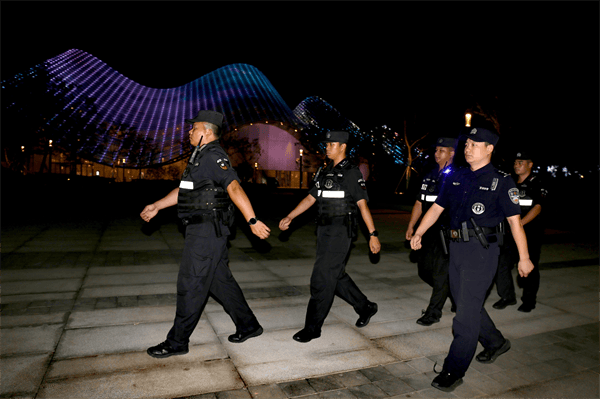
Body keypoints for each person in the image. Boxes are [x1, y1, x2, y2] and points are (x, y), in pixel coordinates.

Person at [410, 127, 534, 392]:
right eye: (467, 144)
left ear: (489, 149)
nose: (468, 148)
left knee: (464, 314)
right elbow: (437, 207)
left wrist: (524, 258)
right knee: (469, 304)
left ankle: (453, 369)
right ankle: (496, 342)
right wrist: (419, 231)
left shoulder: (502, 181)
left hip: (482, 251)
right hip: (454, 248)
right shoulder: (456, 176)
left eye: (475, 145)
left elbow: (515, 223)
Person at [141, 110, 270, 358]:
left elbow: (233, 186)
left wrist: (252, 220)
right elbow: (184, 190)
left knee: (191, 282)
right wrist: (157, 205)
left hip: (207, 230)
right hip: (204, 228)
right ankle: (249, 325)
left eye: (194, 127)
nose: (189, 131)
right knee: (219, 282)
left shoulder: (213, 156)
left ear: (207, 132)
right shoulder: (198, 158)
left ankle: (177, 341)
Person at [279, 130, 381, 343]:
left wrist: (373, 234)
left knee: (322, 278)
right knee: (336, 275)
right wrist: (290, 216)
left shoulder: (352, 173)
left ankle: (312, 328)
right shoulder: (325, 171)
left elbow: (362, 205)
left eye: (331, 144)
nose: (326, 147)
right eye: (326, 144)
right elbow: (310, 198)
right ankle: (366, 307)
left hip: (341, 231)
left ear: (342, 147)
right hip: (324, 232)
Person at [406, 137, 456, 326]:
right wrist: (412, 226)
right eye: (436, 150)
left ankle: (433, 313)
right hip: (427, 232)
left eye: (441, 151)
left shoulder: (456, 177)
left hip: (447, 234)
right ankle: (452, 292)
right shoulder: (429, 175)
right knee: (424, 270)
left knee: (440, 273)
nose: (436, 154)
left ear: (452, 153)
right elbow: (419, 202)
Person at [493, 151, 547, 312]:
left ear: (530, 164)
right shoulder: (510, 182)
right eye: (515, 162)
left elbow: (537, 207)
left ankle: (529, 300)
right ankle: (507, 296)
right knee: (501, 263)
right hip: (510, 233)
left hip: (530, 233)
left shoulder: (538, 183)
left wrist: (519, 224)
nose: (517, 165)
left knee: (529, 266)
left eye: (521, 162)